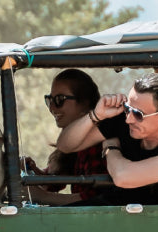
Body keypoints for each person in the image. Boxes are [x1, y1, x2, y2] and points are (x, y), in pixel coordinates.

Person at [56, 72, 158, 205]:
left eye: (138, 114)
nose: (129, 119)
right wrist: (96, 115)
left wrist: (111, 148)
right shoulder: (125, 121)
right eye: (127, 109)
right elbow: (65, 145)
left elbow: (123, 177)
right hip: (116, 212)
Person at [28, 69, 105, 205]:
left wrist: (42, 196)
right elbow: (56, 180)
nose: (51, 107)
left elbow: (97, 199)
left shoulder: (99, 143)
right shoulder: (72, 144)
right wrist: (33, 172)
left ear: (85, 103)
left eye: (59, 100)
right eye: (49, 99)